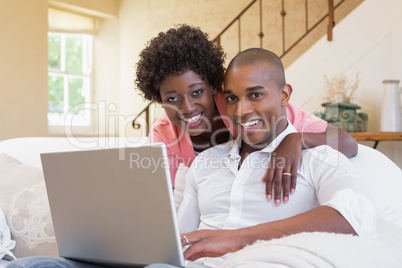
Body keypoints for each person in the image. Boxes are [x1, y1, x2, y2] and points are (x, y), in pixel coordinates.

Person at [174, 48, 376, 267]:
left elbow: (357, 216)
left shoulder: (319, 158)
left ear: (284, 95)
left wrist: (235, 239)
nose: (241, 110)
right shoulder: (205, 162)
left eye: (256, 95)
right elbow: (179, 239)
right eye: (232, 98)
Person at [135, 24, 358, 206]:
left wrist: (297, 139)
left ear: (214, 87)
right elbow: (167, 201)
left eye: (197, 92)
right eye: (172, 99)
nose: (187, 107)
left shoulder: (243, 107)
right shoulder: (164, 133)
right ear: (159, 99)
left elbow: (346, 142)